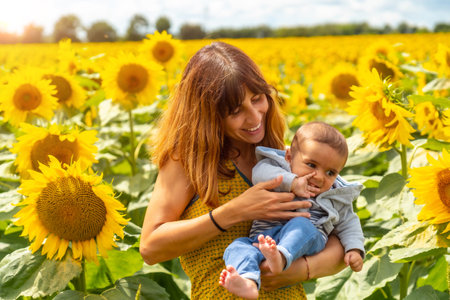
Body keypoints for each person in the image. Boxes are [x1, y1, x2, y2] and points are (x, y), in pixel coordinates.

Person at [139, 42, 347, 300]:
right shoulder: (187, 161)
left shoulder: (289, 159)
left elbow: (344, 239)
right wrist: (233, 212)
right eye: (236, 111)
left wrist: (299, 270)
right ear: (208, 115)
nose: (254, 117)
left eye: (257, 99)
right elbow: (150, 248)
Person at [219, 121, 365, 299]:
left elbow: (350, 223)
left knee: (301, 224)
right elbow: (259, 172)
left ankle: (280, 257)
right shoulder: (279, 169)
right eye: (311, 165)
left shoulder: (335, 195)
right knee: (237, 247)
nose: (319, 177)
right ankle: (248, 281)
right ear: (288, 157)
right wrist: (292, 182)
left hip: (307, 238)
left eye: (330, 173)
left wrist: (355, 249)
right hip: (263, 241)